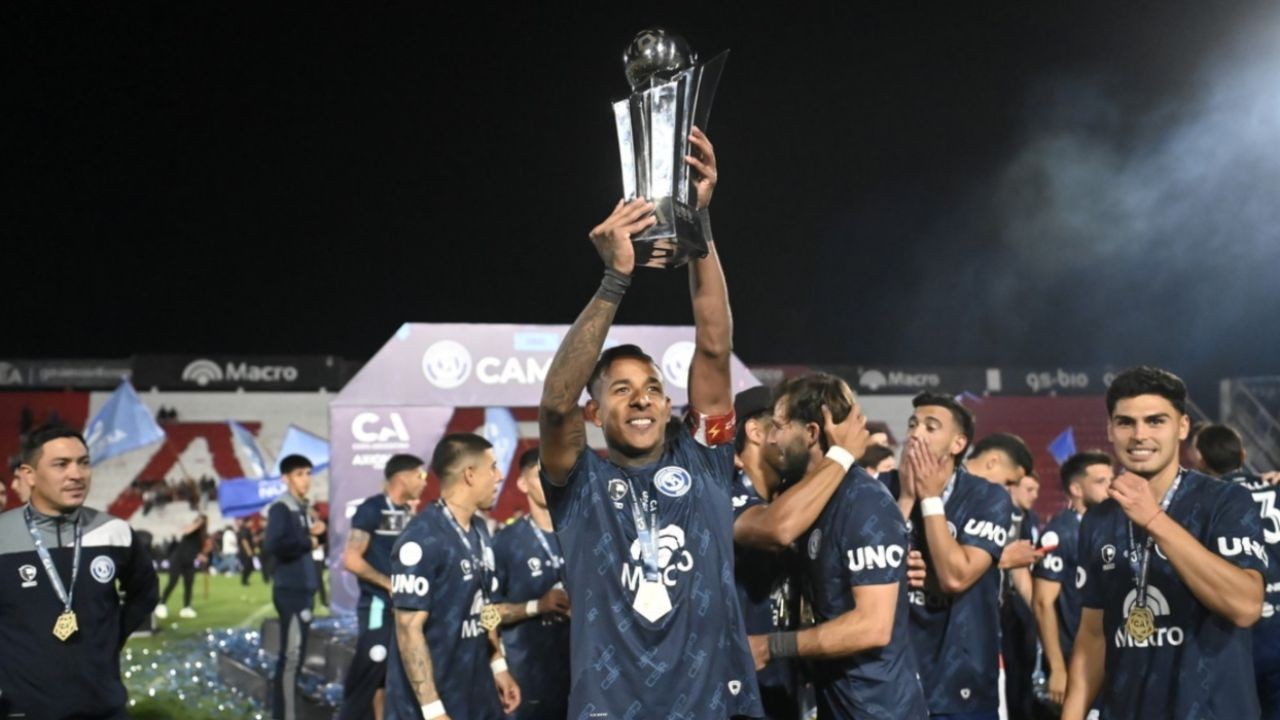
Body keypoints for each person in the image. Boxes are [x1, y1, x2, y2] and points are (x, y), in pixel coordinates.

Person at [537, 126, 763, 717]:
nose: (641, 400)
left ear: (668, 407)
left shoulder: (706, 459)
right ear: (594, 412)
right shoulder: (578, 485)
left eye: (653, 389)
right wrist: (616, 278)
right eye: (621, 391)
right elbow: (556, 405)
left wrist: (698, 221)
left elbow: (713, 345)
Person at [1062, 367, 1267, 719]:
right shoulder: (1098, 520)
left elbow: (1245, 606)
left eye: (1155, 421)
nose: (1139, 435)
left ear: (1182, 427)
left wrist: (1154, 519)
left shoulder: (1225, 501)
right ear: (1110, 430)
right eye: (1126, 423)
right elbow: (1092, 637)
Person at [748, 373, 927, 718]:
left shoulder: (864, 503)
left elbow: (872, 626)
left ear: (812, 433)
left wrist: (772, 646)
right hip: (836, 702)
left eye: (779, 427)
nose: (771, 439)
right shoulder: (810, 501)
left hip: (879, 709)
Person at [0, 425, 158, 719]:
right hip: (22, 711)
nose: (77, 474)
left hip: (104, 709)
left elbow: (145, 592)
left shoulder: (115, 532)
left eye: (84, 463)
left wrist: (111, 637)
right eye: (61, 464)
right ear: (29, 474)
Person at [882, 393, 1014, 719]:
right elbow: (871, 570)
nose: (915, 433)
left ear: (958, 443)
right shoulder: (883, 487)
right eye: (913, 424)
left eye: (930, 427)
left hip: (963, 684)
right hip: (895, 681)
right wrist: (907, 499)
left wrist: (929, 499)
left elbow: (955, 576)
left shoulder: (987, 497)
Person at [385, 434, 520, 719]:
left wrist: (498, 665)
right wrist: (432, 709)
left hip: (477, 693)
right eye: (493, 467)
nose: (499, 476)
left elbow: (486, 607)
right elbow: (408, 628)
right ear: (470, 474)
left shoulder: (480, 530)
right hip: (430, 705)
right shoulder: (421, 538)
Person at [1193, 423, 1280, 719]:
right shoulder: (1275, 488)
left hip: (1230, 636)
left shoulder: (1204, 501)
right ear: (1243, 455)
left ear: (1199, 459)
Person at [338, 453, 427, 720]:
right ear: (402, 478)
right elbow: (351, 559)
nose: (424, 482)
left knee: (388, 677)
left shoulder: (409, 514)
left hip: (406, 610)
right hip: (378, 606)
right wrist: (388, 583)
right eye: (420, 475)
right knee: (371, 666)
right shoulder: (371, 509)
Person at [488, 447, 572, 719]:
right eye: (540, 475)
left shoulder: (586, 535)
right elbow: (487, 614)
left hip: (586, 676)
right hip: (528, 680)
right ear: (522, 484)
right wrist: (538, 606)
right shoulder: (505, 542)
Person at [1032, 450, 1113, 708]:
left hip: (1110, 657)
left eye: (1111, 480)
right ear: (1076, 489)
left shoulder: (1113, 528)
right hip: (1075, 659)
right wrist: (1057, 668)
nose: (1110, 487)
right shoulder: (1060, 533)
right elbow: (1042, 603)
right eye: (1100, 481)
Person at [263, 454, 326, 720]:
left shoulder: (301, 507)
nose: (306, 479)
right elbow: (274, 544)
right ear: (285, 478)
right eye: (299, 474)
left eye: (308, 473)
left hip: (302, 589)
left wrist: (316, 533)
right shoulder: (282, 507)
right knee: (290, 659)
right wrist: (307, 541)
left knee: (295, 658)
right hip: (291, 590)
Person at [155, 512, 207, 619]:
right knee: (172, 582)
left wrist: (202, 557)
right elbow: (186, 531)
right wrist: (197, 523)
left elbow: (196, 550)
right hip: (178, 559)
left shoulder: (202, 536)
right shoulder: (191, 529)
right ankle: (161, 604)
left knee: (189, 585)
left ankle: (186, 608)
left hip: (189, 561)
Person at [237, 517, 258, 586]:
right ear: (247, 523)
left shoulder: (247, 530)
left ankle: (245, 580)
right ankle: (244, 581)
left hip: (246, 552)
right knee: (248, 566)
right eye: (250, 522)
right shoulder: (245, 530)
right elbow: (244, 541)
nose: (252, 523)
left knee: (250, 567)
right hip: (245, 552)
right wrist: (249, 551)